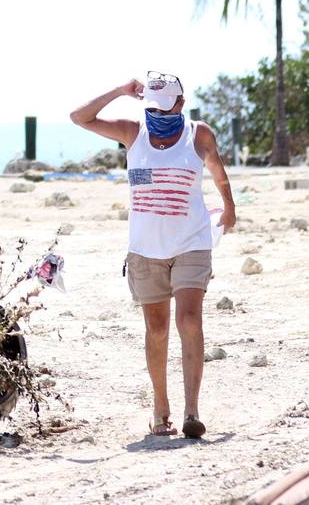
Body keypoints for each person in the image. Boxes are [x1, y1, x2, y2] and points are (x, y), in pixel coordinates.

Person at [70, 72, 237, 439]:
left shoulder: (199, 134)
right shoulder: (133, 132)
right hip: (146, 250)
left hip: (192, 242)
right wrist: (118, 90)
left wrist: (228, 207)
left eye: (165, 107)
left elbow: (217, 170)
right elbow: (78, 117)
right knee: (157, 328)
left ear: (180, 103)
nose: (158, 114)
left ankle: (192, 410)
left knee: (189, 321)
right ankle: (161, 408)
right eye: (152, 108)